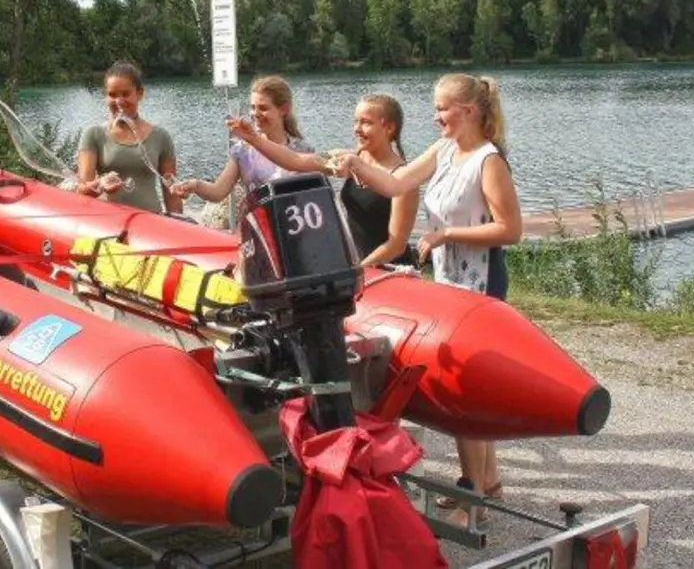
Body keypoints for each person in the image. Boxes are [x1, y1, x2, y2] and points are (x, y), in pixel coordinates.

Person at [331, 74, 523, 528]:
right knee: (466, 387)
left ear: (470, 111)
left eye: (443, 109)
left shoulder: (488, 161)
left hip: (481, 288)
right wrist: (354, 166)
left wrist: (445, 233)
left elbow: (510, 230)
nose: (436, 116)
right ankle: (487, 482)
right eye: (436, 108)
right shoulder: (443, 151)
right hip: (449, 283)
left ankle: (471, 500)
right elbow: (396, 185)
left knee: (462, 395)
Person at [227, 93, 420, 269]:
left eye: (366, 123)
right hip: (359, 266)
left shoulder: (403, 177)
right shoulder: (348, 159)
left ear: (389, 127)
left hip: (392, 271)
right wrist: (253, 139)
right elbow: (296, 161)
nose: (356, 129)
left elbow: (396, 245)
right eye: (355, 121)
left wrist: (357, 271)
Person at [170, 76, 316, 219]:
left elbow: (314, 198)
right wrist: (195, 185)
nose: (255, 114)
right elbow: (218, 191)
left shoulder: (303, 150)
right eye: (253, 107)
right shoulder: (243, 150)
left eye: (263, 108)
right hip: (258, 230)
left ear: (284, 109)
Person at [75, 61, 181, 215]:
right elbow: (82, 190)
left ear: (140, 94)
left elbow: (171, 191)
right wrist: (100, 184)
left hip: (152, 223)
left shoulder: (161, 136)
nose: (118, 101)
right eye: (112, 94)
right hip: (108, 225)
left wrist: (178, 224)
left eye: (125, 94)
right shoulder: (93, 134)